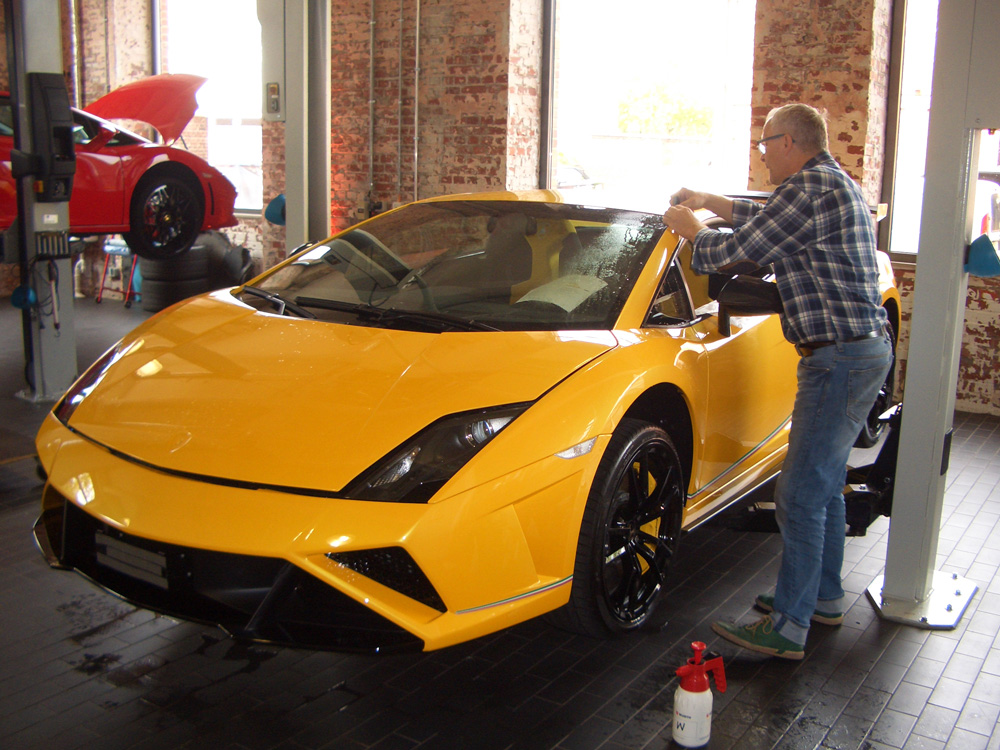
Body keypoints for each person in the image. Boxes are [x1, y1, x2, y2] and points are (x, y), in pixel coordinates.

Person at [663, 103, 893, 660]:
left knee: (800, 493)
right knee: (825, 486)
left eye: (765, 144)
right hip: (855, 352)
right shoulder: (826, 183)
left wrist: (692, 228)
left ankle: (789, 627)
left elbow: (732, 250)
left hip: (837, 359)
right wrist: (711, 200)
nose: (762, 153)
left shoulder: (811, 189)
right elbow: (760, 217)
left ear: (789, 142)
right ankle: (823, 597)